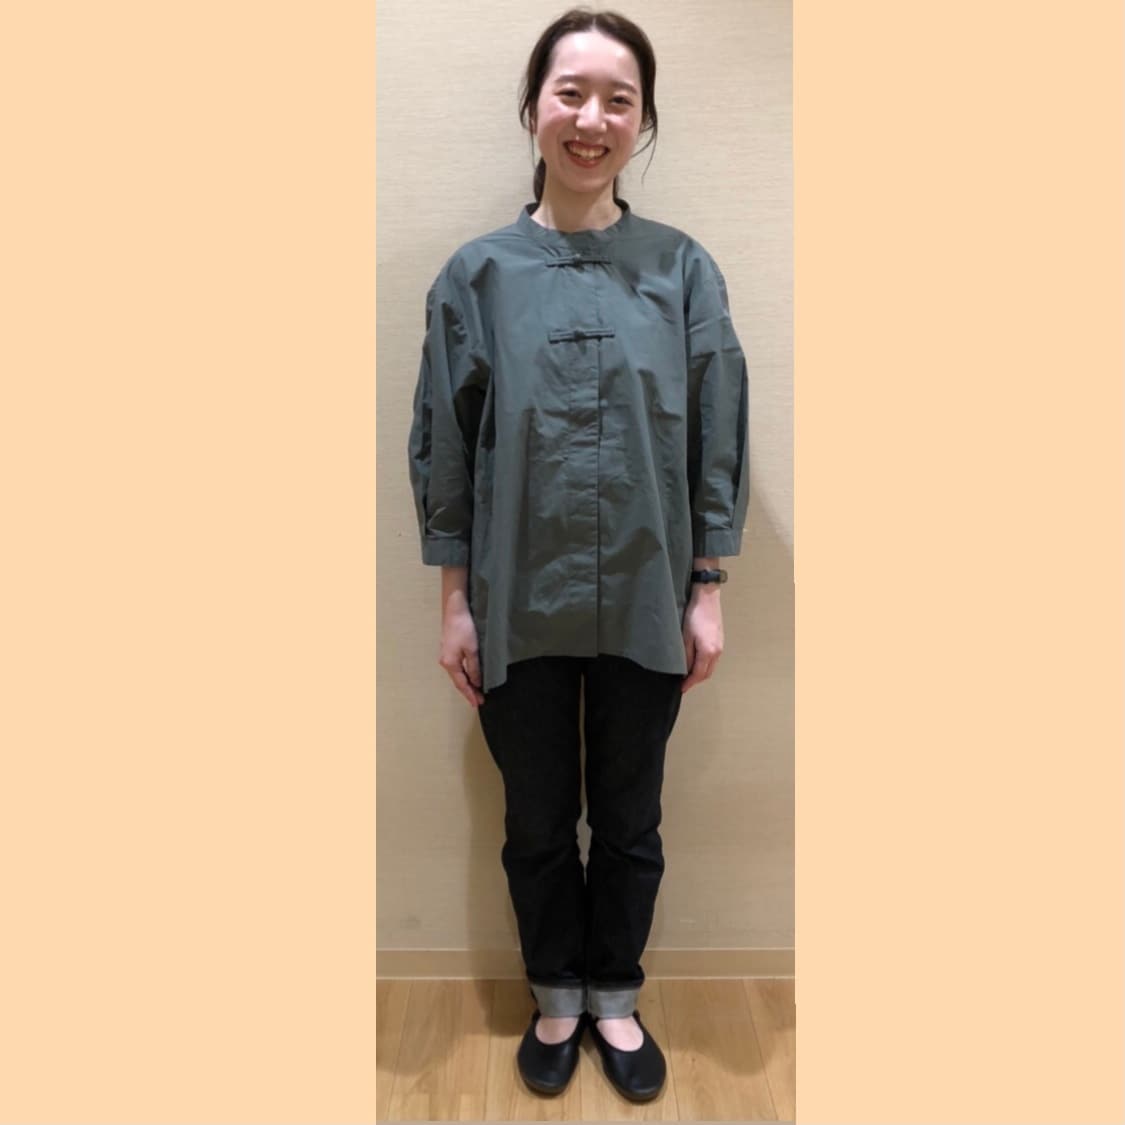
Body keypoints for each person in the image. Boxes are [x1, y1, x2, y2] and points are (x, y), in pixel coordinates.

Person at [407, 6, 749, 1104]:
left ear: (641, 122)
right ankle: (557, 992)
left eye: (618, 99)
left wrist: (707, 587)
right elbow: (445, 446)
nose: (591, 119)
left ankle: (615, 993)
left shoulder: (683, 270)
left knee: (634, 817)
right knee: (537, 817)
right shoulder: (477, 277)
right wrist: (456, 601)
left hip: (651, 593)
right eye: (571, 92)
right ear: (533, 108)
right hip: (517, 597)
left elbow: (715, 434)